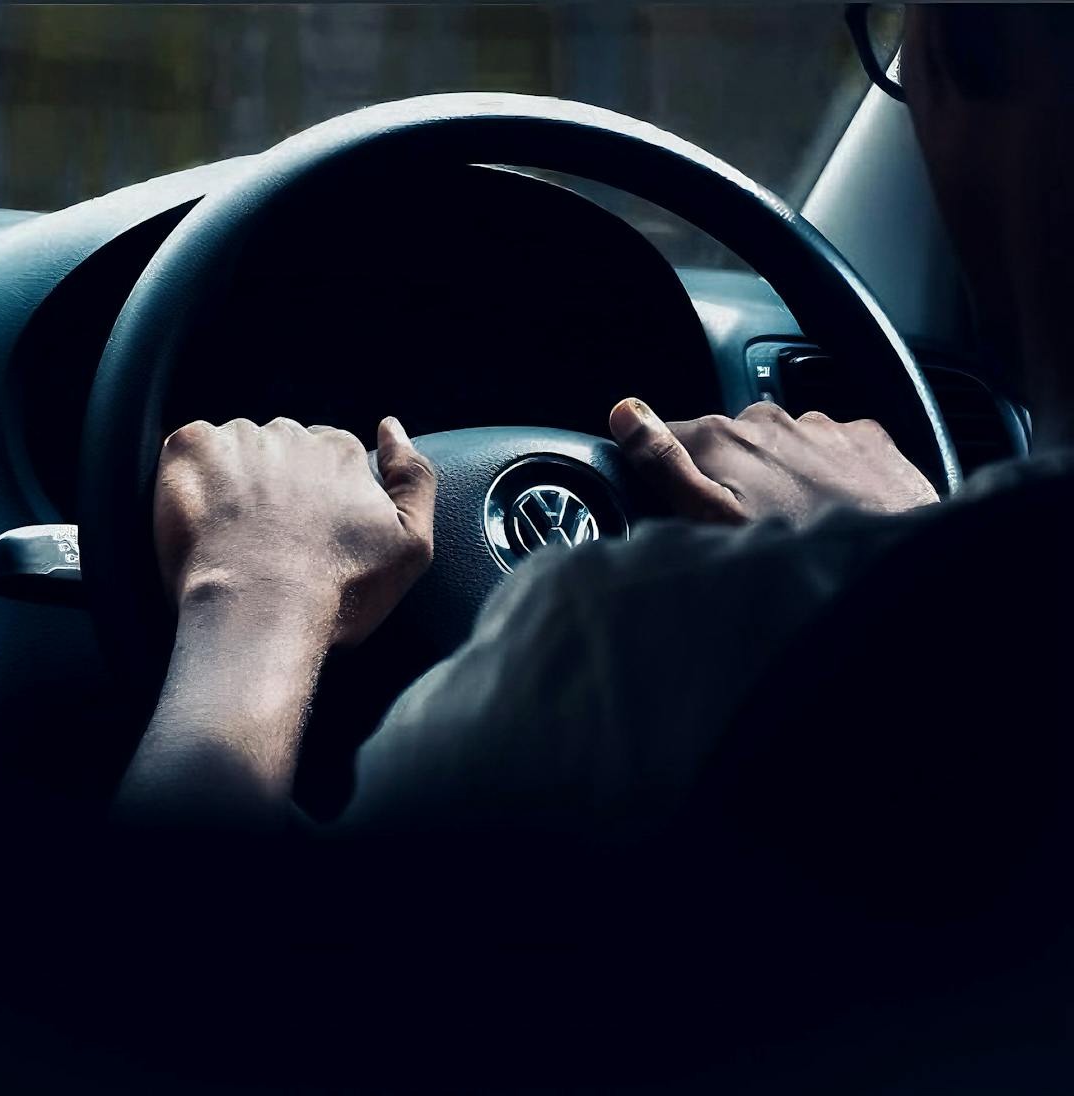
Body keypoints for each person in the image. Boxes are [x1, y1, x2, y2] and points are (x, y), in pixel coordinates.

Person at [106, 6, 1073, 1078]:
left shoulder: (627, 652)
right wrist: (897, 555)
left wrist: (252, 597)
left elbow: (167, 1010)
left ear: (960, 44)